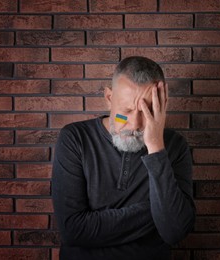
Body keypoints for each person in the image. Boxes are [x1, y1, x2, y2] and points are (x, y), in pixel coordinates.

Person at [52, 56, 195, 260]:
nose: (135, 124)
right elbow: (73, 230)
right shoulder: (75, 139)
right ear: (109, 98)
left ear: (162, 105)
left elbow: (174, 231)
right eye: (126, 111)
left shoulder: (174, 147)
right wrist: (154, 213)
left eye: (146, 112)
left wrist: (156, 147)